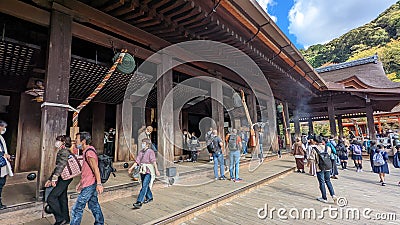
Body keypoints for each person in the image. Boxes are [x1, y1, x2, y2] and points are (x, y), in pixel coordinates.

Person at [71, 132, 104, 225]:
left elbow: (95, 169)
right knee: (93, 204)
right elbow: (87, 171)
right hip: (88, 183)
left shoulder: (89, 152)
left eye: (77, 139)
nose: (75, 141)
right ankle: (100, 222)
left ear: (83, 141)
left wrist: (99, 184)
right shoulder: (87, 151)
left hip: (90, 184)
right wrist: (81, 183)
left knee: (77, 208)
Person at [45, 135, 73, 225]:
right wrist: (50, 178)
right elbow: (58, 167)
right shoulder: (64, 151)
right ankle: (66, 219)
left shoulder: (64, 151)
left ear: (63, 142)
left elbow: (61, 165)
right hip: (65, 177)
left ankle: (60, 219)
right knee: (62, 198)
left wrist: (54, 179)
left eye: (58, 140)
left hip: (63, 178)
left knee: (51, 198)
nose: (56, 142)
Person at [128, 138, 160, 209]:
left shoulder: (150, 152)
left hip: (148, 171)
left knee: (144, 185)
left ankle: (139, 202)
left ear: (147, 144)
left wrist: (156, 170)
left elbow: (154, 161)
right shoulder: (141, 152)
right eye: (142, 143)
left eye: (144, 143)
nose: (142, 144)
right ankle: (150, 197)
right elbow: (137, 161)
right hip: (142, 170)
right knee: (145, 185)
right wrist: (131, 168)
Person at [311, 136, 337, 204]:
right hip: (327, 166)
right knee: (328, 181)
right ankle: (333, 195)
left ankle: (324, 197)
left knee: (321, 182)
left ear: (315, 141)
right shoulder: (327, 148)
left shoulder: (314, 149)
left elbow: (312, 159)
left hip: (319, 167)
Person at [0, 120, 13, 210]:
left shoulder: (1, 137)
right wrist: (3, 154)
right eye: (3, 127)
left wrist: (7, 156)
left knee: (1, 183)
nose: (4, 129)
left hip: (2, 164)